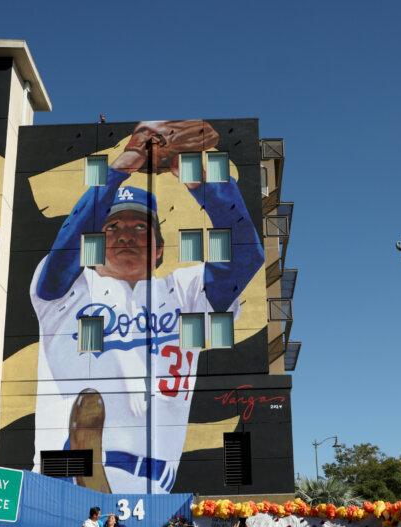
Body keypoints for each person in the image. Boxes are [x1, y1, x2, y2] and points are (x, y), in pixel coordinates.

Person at [29, 120, 263, 494]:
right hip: (76, 467)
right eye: (112, 227)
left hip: (160, 483)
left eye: (140, 228)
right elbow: (67, 245)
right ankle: (85, 481)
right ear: (94, 242)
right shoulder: (70, 289)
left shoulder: (186, 290)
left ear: (159, 249)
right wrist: (121, 168)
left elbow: (247, 254)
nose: (125, 233)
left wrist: (192, 175)